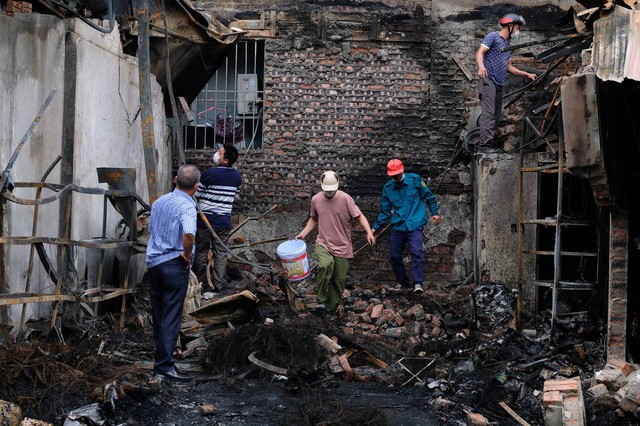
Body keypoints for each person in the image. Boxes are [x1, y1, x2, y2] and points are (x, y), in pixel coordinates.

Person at [146, 164, 200, 381]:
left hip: (155, 263)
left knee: (159, 313)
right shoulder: (187, 207)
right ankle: (165, 365)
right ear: (196, 187)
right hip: (174, 263)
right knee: (171, 316)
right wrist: (187, 255)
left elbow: (152, 231)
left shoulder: (159, 202)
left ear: (175, 180)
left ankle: (161, 360)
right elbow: (188, 234)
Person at [295, 171, 375, 317]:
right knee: (325, 264)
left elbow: (360, 216)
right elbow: (313, 218)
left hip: (343, 246)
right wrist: (303, 233)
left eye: (332, 190)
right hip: (323, 242)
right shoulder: (316, 200)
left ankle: (329, 311)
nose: (329, 193)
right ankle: (321, 300)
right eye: (327, 190)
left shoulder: (346, 199)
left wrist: (369, 232)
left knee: (338, 281)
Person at [372, 159, 441, 294]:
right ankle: (403, 283)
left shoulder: (415, 180)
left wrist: (435, 213)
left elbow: (429, 197)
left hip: (414, 223)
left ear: (402, 169)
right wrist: (374, 229)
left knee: (417, 252)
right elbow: (385, 212)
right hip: (398, 225)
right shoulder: (388, 188)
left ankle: (418, 283)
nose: (396, 177)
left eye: (398, 174)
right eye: (393, 175)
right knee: (394, 256)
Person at [475, 13, 536, 150]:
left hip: (498, 84)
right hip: (488, 80)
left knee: (496, 116)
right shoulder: (493, 36)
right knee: (489, 115)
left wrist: (527, 74)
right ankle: (483, 148)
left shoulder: (507, 45)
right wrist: (481, 67)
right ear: (510, 26)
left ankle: (488, 144)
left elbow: (509, 67)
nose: (517, 31)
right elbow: (480, 52)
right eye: (517, 28)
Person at [193, 144, 242, 291]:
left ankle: (200, 284)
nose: (216, 154)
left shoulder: (209, 174)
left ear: (225, 160)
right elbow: (236, 196)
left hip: (205, 220)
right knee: (221, 253)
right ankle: (220, 285)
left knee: (201, 251)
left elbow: (197, 196)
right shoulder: (237, 176)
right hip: (223, 221)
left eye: (220, 153)